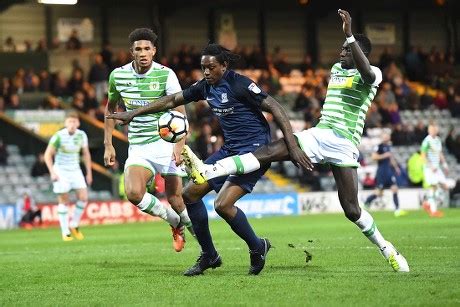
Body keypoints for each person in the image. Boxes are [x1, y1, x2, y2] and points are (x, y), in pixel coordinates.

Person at [175, 10, 410, 272]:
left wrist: (349, 35)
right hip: (320, 134)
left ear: (358, 53)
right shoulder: (336, 69)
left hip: (344, 144)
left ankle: (387, 248)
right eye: (342, 49)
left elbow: (365, 74)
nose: (340, 53)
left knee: (352, 211)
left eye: (346, 50)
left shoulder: (373, 74)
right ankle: (210, 170)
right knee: (268, 151)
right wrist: (295, 146)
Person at [107, 43, 311, 276]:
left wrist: (291, 146)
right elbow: (171, 100)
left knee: (222, 205)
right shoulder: (205, 87)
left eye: (211, 67)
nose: (206, 72)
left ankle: (257, 246)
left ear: (223, 66)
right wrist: (133, 113)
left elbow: (275, 107)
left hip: (256, 151)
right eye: (203, 68)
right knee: (189, 194)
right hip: (230, 149)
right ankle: (209, 255)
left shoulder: (239, 83)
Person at [103, 28, 193, 252]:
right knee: (133, 193)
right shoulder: (118, 75)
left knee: (176, 199)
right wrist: (108, 144)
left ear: (154, 50)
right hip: (139, 147)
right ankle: (174, 223)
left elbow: (181, 112)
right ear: (131, 52)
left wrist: (178, 146)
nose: (142, 53)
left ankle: (200, 237)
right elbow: (111, 108)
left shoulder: (166, 74)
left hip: (166, 142)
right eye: (138, 49)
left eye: (146, 48)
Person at [44, 112, 92, 241]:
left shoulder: (82, 135)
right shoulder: (59, 136)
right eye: (70, 122)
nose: (72, 124)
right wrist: (52, 172)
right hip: (61, 171)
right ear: (66, 123)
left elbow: (86, 154)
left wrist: (89, 172)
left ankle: (74, 224)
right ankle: (65, 231)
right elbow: (47, 155)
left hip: (75, 170)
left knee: (83, 197)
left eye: (74, 122)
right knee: (64, 200)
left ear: (78, 123)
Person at [364, 132, 408, 217]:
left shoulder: (388, 147)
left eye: (387, 136)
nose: (386, 137)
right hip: (381, 172)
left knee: (395, 188)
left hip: (389, 171)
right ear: (382, 137)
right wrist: (385, 155)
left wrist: (396, 168)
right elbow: (374, 157)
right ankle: (366, 203)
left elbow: (390, 158)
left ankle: (397, 210)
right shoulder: (379, 146)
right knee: (378, 193)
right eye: (385, 136)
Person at [420, 123, 449, 217]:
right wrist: (430, 166)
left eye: (435, 129)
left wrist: (445, 164)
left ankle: (427, 203)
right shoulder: (426, 141)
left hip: (437, 167)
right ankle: (433, 210)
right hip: (429, 168)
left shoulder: (437, 140)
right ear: (429, 130)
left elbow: (439, 153)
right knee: (433, 186)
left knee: (445, 186)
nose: (433, 131)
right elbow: (423, 155)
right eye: (431, 129)